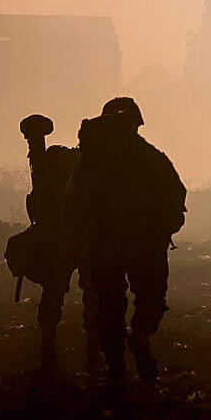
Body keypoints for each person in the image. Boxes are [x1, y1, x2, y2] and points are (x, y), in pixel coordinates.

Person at [67, 97, 186, 387]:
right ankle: (140, 334)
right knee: (151, 297)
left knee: (109, 304)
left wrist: (84, 238)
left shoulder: (91, 162)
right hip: (147, 244)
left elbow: (71, 202)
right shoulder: (151, 157)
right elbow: (176, 196)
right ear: (137, 123)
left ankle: (116, 368)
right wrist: (164, 231)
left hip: (104, 245)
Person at [12, 114, 99, 373]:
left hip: (61, 240)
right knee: (90, 292)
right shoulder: (83, 167)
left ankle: (50, 337)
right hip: (80, 240)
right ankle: (92, 343)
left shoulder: (44, 167)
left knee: (55, 291)